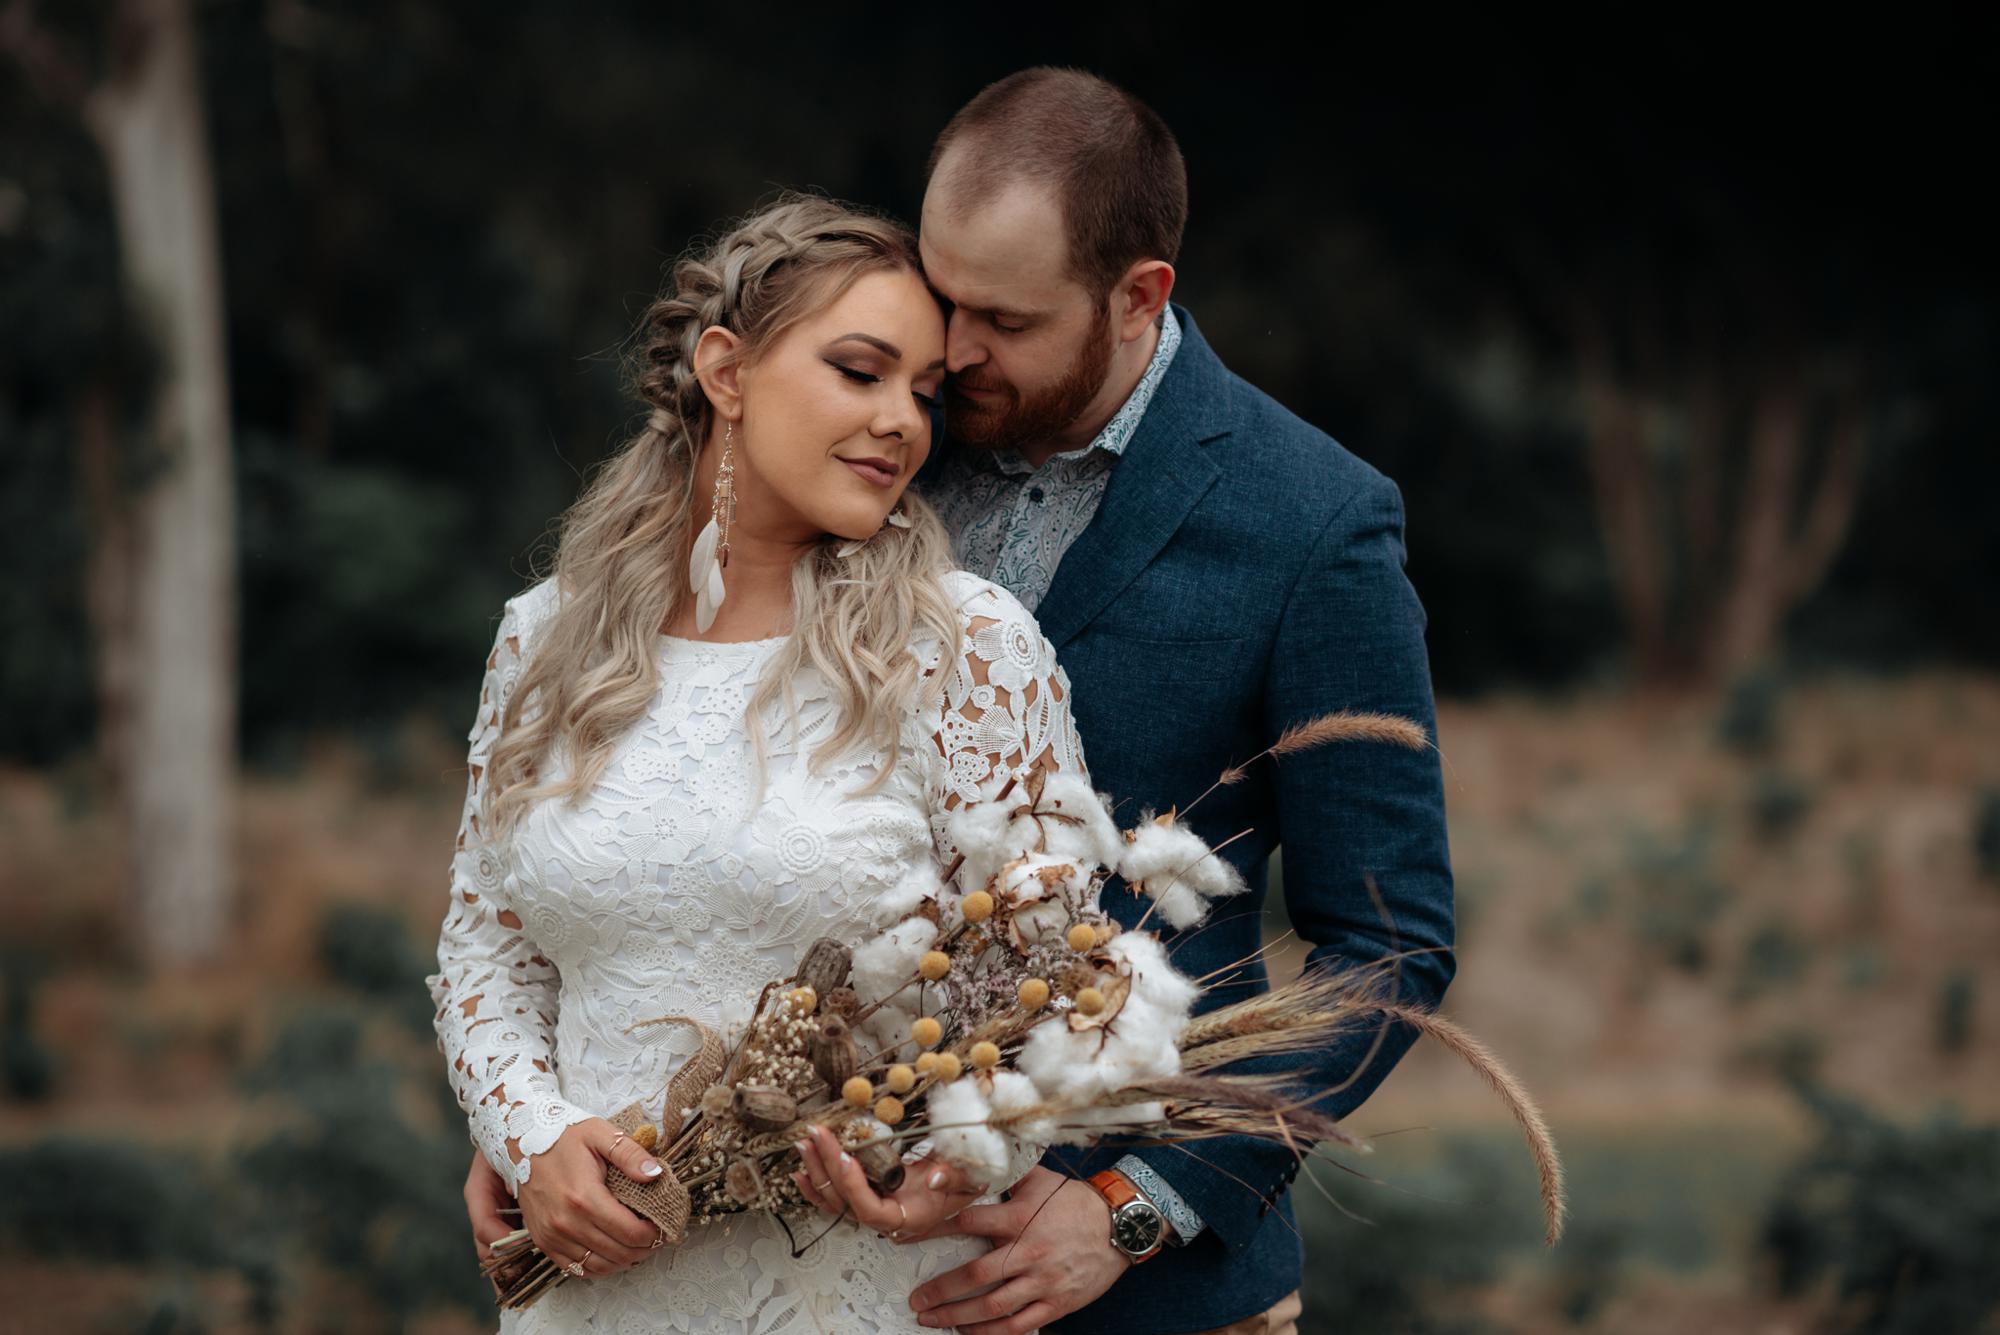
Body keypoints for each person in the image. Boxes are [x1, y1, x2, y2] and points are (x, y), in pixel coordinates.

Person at [426, 192, 1094, 1333]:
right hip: (595, 1299)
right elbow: (487, 951)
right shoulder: (545, 639)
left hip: (860, 1287)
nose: (901, 423)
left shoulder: (962, 645)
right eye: (859, 371)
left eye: (923, 394)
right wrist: (530, 1138)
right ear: (726, 372)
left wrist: (959, 1156)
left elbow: (1054, 968)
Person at [891, 68, 1457, 1335]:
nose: (951, 348)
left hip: (1138, 1298)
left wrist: (1137, 1205)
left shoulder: (1312, 520)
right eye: (940, 294)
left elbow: (1390, 945)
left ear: (1140, 294)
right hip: (809, 1258)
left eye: (1004, 317)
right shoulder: (870, 437)